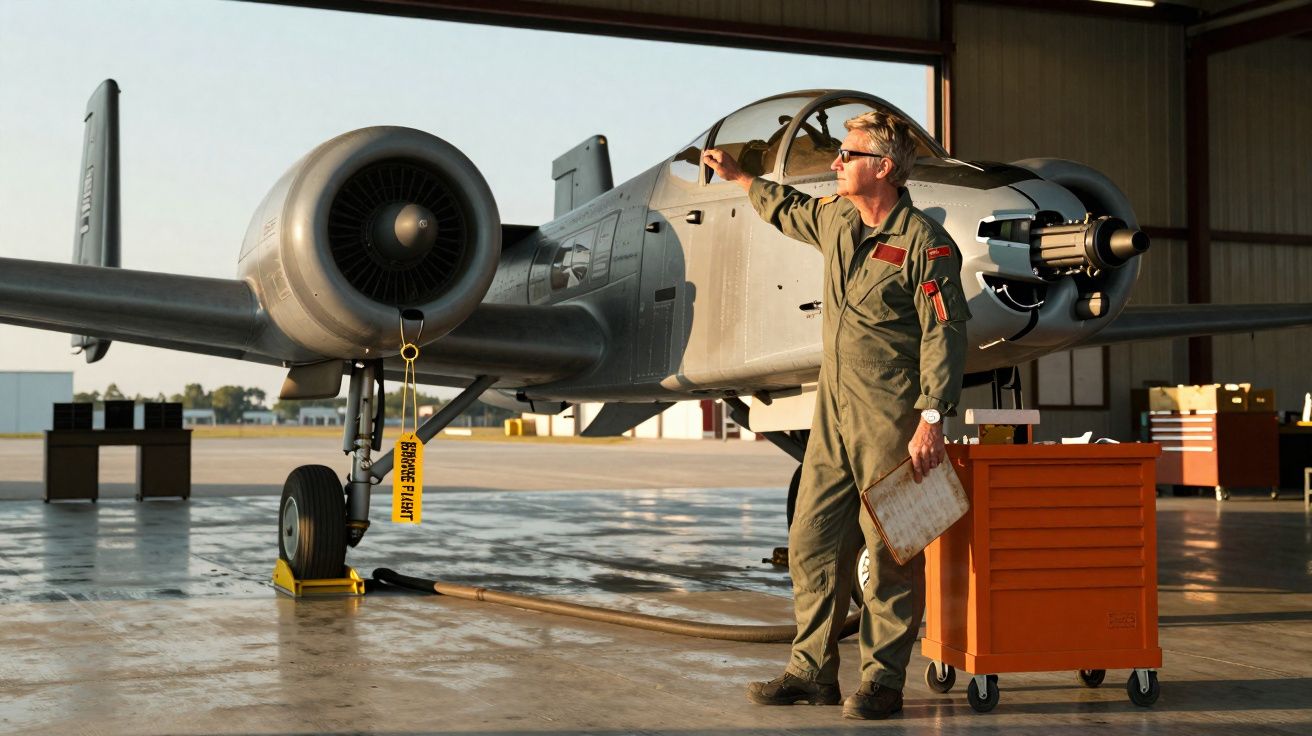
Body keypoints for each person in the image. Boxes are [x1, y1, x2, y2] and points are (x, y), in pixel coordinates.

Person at [703, 110, 969, 720]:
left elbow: (945, 332)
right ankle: (811, 670)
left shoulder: (925, 244)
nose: (835, 163)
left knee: (891, 553)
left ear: (882, 167)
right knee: (812, 538)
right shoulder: (839, 220)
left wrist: (932, 417)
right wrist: (743, 179)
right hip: (834, 412)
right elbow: (790, 210)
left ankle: (882, 682)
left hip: (892, 416)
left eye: (847, 155)